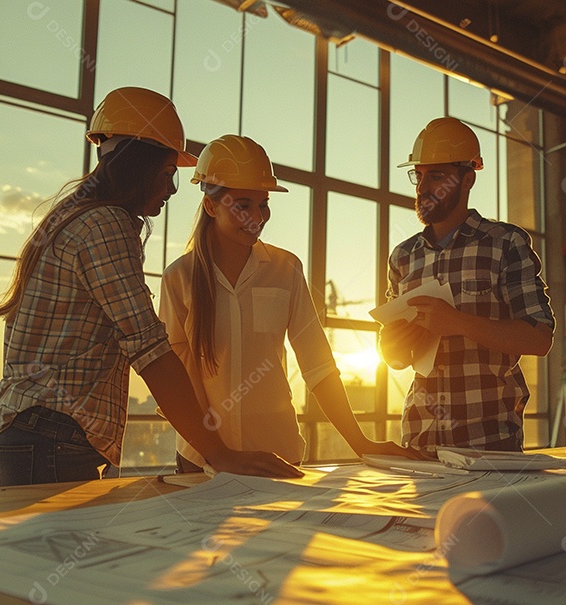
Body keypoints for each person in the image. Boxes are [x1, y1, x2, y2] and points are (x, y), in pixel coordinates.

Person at [0, 88, 301, 486]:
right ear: (139, 164)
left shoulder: (73, 216)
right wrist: (218, 453)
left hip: (37, 436)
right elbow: (150, 350)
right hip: (50, 440)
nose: (173, 189)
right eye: (169, 172)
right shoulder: (106, 226)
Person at [159, 135, 420, 472]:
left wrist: (362, 444)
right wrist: (215, 453)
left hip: (276, 456)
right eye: (243, 205)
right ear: (211, 206)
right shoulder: (179, 278)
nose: (258, 216)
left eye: (263, 204)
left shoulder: (286, 270)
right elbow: (180, 379)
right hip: (203, 460)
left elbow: (318, 364)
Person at [377, 117, 555, 452]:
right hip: (420, 441)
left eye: (438, 175)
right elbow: (396, 359)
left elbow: (539, 337)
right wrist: (392, 346)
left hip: (489, 445)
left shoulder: (505, 243)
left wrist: (456, 322)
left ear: (468, 178)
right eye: (420, 174)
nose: (422, 187)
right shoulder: (403, 256)